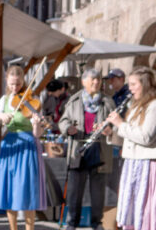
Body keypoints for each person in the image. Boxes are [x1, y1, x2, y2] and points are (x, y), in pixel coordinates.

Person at [0, 65, 47, 230]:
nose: (15, 88)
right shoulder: (4, 100)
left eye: (19, 84)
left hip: (28, 145)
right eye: (12, 84)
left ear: (23, 81)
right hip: (10, 146)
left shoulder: (32, 100)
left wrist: (36, 124)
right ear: (7, 82)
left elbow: (37, 134)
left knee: (28, 190)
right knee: (10, 190)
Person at [58, 68, 116, 230]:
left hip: (99, 148)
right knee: (75, 191)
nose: (96, 82)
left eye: (98, 79)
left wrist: (109, 130)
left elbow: (116, 123)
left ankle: (97, 223)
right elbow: (63, 121)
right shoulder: (74, 100)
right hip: (78, 149)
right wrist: (68, 128)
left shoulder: (108, 101)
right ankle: (72, 223)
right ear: (84, 82)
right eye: (92, 79)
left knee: (98, 192)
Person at [106, 66, 156, 230]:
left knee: (144, 210)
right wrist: (111, 132)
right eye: (130, 84)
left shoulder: (153, 106)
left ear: (145, 84)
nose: (130, 89)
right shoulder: (135, 106)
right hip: (132, 162)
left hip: (146, 164)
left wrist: (120, 123)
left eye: (134, 84)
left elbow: (146, 137)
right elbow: (129, 137)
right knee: (132, 209)